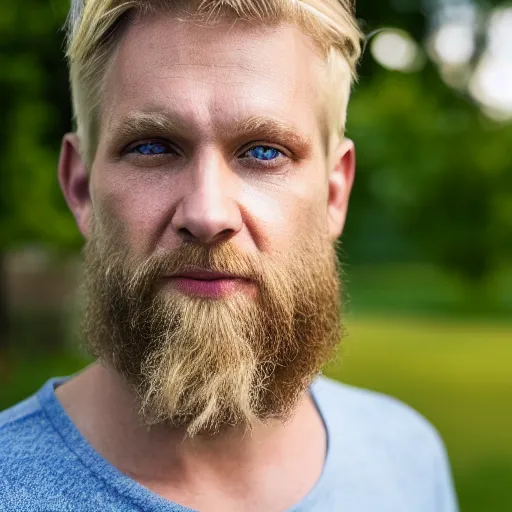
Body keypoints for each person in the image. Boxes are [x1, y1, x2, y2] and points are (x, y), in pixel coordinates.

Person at [0, 0, 458, 510]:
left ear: (334, 194)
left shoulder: (408, 458)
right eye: (153, 147)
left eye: (264, 151)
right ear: (81, 188)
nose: (208, 213)